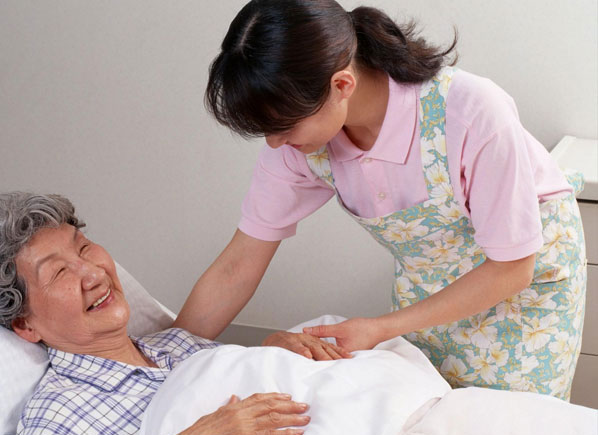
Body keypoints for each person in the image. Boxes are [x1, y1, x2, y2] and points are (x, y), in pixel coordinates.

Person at [173, 0, 587, 400]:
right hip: (427, 290)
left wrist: (381, 327)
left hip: (523, 288)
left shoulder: (470, 112)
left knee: (509, 418)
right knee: (428, 411)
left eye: (284, 126)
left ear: (342, 85)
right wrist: (166, 357)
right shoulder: (298, 145)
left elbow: (512, 268)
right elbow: (237, 266)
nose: (273, 142)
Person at [0, 191, 331, 435]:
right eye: (59, 272)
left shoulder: (178, 344)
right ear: (24, 324)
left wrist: (275, 355)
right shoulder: (58, 416)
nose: (93, 274)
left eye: (83, 248)